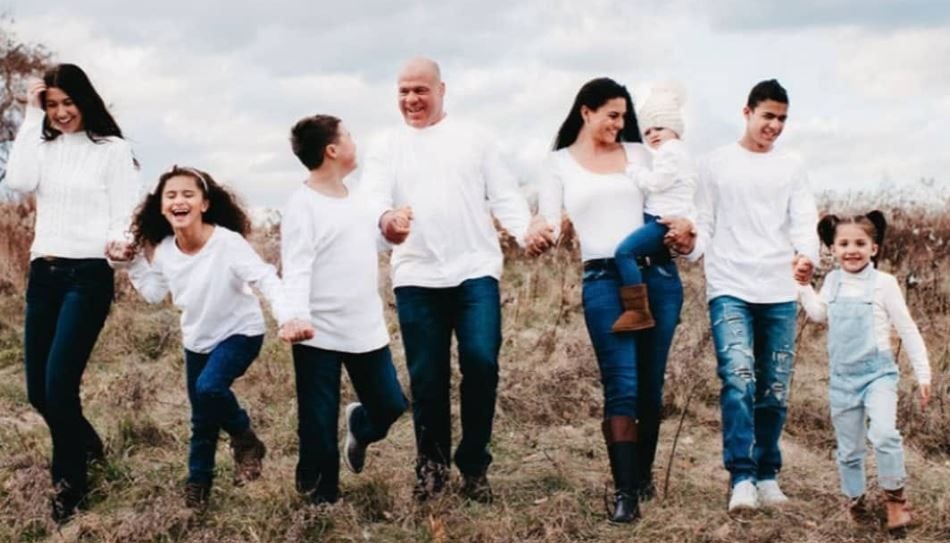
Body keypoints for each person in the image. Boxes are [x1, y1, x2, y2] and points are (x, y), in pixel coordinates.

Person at [360, 57, 534, 503]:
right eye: (403, 91)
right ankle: (432, 470)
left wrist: (525, 229)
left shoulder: (475, 137)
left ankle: (474, 465)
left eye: (420, 90)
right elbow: (372, 199)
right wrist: (386, 220)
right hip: (416, 275)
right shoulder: (386, 145)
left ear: (442, 90)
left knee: (481, 361)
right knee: (427, 376)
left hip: (474, 270)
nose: (411, 99)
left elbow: (505, 193)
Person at [529, 77, 688, 523]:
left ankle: (643, 476)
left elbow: (674, 198)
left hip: (655, 275)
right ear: (586, 112)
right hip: (602, 279)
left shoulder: (640, 153)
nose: (621, 124)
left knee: (651, 386)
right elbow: (551, 219)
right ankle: (625, 494)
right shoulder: (557, 164)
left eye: (624, 116)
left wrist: (688, 231)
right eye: (612, 115)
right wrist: (539, 232)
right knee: (622, 383)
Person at [672, 79, 820, 512]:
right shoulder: (715, 164)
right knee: (738, 379)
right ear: (747, 112)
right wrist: (689, 248)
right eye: (767, 116)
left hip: (778, 290)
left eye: (781, 119)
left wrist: (806, 257)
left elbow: (803, 220)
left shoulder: (791, 168)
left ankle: (768, 473)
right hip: (730, 287)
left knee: (774, 387)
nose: (774, 125)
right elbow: (705, 222)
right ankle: (741, 478)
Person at [5, 64, 140, 522]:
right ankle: (90, 446)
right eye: (52, 105)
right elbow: (19, 182)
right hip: (44, 274)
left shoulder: (112, 150)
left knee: (60, 387)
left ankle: (70, 487)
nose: (61, 113)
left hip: (88, 277)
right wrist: (27, 113)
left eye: (68, 103)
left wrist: (121, 242)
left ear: (85, 100)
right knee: (39, 393)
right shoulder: (42, 147)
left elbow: (126, 211)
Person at [127, 166, 286, 509]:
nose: (179, 200)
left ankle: (245, 439)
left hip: (240, 332)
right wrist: (130, 263)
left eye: (188, 194)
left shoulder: (226, 243)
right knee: (202, 420)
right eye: (171, 195)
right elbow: (154, 293)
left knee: (210, 388)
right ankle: (198, 486)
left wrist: (287, 314)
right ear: (161, 207)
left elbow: (263, 277)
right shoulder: (167, 250)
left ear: (204, 204)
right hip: (197, 340)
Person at [278, 114, 408, 506]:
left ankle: (361, 425)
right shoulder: (302, 205)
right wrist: (296, 316)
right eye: (349, 135)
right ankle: (320, 499)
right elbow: (296, 266)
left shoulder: (361, 198)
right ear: (332, 150)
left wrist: (395, 230)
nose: (355, 141)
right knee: (317, 421)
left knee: (390, 404)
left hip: (364, 325)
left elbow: (374, 243)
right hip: (317, 330)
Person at [797, 211, 930, 533]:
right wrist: (802, 286)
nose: (851, 249)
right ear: (832, 249)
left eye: (860, 242)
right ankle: (855, 500)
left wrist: (923, 373)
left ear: (874, 247)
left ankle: (895, 501)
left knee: (884, 434)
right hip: (843, 378)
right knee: (850, 448)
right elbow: (817, 314)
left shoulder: (884, 284)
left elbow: (907, 328)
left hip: (878, 375)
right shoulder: (832, 281)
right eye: (843, 243)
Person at [611, 83, 696, 332]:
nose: (653, 135)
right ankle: (668, 305)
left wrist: (632, 170)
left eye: (659, 127)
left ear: (675, 127)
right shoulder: (679, 153)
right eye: (647, 131)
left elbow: (657, 183)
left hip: (662, 220)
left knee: (624, 252)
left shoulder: (670, 152)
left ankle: (637, 309)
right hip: (661, 217)